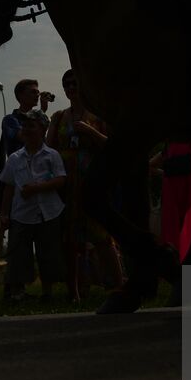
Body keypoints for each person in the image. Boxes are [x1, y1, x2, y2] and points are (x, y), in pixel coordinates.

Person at [46, 68, 120, 300]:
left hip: (93, 180)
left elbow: (113, 146)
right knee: (70, 239)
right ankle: (75, 289)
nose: (71, 88)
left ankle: (117, 286)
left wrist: (90, 132)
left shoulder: (98, 115)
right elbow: (49, 149)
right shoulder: (59, 116)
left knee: (101, 236)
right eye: (66, 84)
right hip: (67, 184)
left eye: (75, 83)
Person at [1, 110, 66, 301]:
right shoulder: (14, 158)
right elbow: (8, 187)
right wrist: (4, 213)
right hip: (22, 213)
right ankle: (17, 292)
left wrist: (37, 188)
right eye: (25, 126)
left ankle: (48, 292)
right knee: (19, 254)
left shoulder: (52, 155)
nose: (27, 130)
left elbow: (61, 179)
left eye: (32, 126)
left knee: (48, 252)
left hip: (49, 211)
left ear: (43, 130)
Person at [0, 78, 38, 259]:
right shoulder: (10, 120)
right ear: (20, 96)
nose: (36, 95)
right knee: (12, 223)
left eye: (37, 91)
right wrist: (38, 120)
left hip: (36, 177)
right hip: (15, 177)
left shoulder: (38, 117)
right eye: (32, 92)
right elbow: (23, 136)